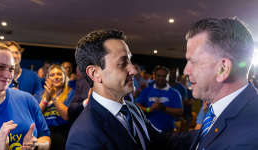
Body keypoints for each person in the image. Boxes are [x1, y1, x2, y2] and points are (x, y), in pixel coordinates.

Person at [66, 29, 174, 150]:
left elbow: (163, 142)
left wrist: (200, 133)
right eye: (123, 63)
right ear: (95, 73)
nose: (133, 70)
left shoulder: (132, 109)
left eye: (130, 61)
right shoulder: (84, 136)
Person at [184, 17, 258, 150]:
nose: (185, 71)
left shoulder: (247, 138)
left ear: (223, 69)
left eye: (193, 62)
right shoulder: (219, 109)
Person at [36, 64, 74, 150]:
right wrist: (46, 98)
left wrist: (53, 97)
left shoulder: (71, 93)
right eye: (52, 75)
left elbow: (67, 116)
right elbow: (36, 116)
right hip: (43, 134)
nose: (56, 77)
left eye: (59, 74)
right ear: (47, 79)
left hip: (62, 134)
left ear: (65, 76)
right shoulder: (40, 94)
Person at [136, 65, 183, 132]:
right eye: (158, 76)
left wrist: (163, 108)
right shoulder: (146, 90)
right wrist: (149, 109)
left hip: (167, 131)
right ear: (154, 76)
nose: (161, 78)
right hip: (148, 130)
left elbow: (180, 112)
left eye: (164, 76)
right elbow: (137, 106)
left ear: (168, 77)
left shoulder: (175, 93)